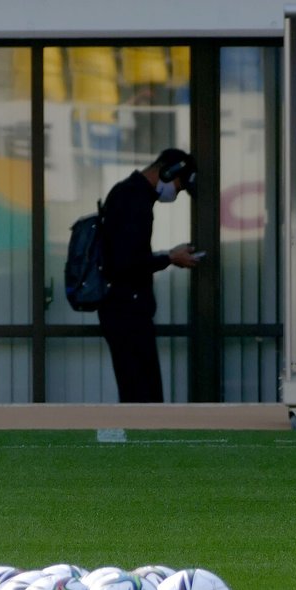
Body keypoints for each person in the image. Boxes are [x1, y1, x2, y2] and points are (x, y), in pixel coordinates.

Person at [97, 148, 202, 403]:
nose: (176, 194)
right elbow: (126, 262)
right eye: (179, 186)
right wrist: (169, 258)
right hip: (126, 309)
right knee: (142, 392)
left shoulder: (130, 194)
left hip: (125, 308)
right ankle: (140, 439)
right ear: (168, 172)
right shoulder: (133, 198)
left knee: (140, 389)